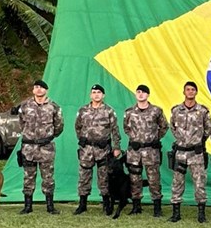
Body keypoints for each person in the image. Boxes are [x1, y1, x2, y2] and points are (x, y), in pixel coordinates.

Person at [18, 79, 64, 215]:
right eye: (36, 87)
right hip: (29, 148)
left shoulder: (54, 107)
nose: (38, 89)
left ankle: (50, 206)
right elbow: (21, 123)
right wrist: (30, 136)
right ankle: (28, 206)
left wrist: (48, 137)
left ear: (46, 90)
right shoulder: (25, 106)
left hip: (46, 147)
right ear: (33, 90)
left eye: (41, 87)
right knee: (28, 177)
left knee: (48, 177)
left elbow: (59, 126)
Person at [73, 84, 121, 216]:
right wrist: (84, 140)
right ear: (90, 95)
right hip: (86, 150)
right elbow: (77, 127)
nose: (96, 94)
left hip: (103, 150)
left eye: (99, 92)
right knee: (84, 177)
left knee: (104, 178)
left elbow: (115, 130)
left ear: (103, 95)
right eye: (94, 92)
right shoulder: (83, 111)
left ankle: (106, 204)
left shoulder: (109, 111)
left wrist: (116, 147)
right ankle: (82, 204)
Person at [169, 81, 211, 223]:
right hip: (180, 152)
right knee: (177, 182)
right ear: (184, 92)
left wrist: (199, 141)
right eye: (188, 89)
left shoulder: (203, 111)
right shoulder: (176, 111)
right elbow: (173, 128)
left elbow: (208, 129)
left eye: (193, 89)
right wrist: (182, 140)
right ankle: (176, 213)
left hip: (196, 153)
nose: (190, 92)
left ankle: (201, 213)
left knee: (199, 182)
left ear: (196, 92)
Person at [123, 85, 168, 217]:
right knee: (134, 179)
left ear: (148, 95)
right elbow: (126, 127)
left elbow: (164, 126)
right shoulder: (130, 111)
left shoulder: (156, 111)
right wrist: (134, 138)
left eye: (143, 92)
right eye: (138, 92)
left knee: (154, 180)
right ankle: (136, 206)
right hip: (135, 151)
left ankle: (157, 207)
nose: (141, 94)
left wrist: (156, 138)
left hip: (151, 151)